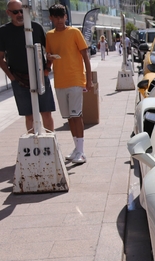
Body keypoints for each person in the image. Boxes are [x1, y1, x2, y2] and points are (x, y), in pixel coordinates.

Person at [46, 3, 93, 165]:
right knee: (69, 118)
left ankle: (81, 151)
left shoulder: (74, 32)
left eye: (62, 16)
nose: (60, 20)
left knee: (76, 115)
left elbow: (85, 55)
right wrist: (49, 59)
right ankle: (76, 148)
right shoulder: (50, 35)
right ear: (51, 18)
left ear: (66, 17)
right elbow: (48, 56)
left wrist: (89, 80)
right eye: (56, 17)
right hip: (60, 81)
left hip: (75, 80)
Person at [0, 0, 56, 133]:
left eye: (22, 11)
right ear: (8, 13)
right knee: (29, 115)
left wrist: (47, 69)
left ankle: (51, 143)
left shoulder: (36, 27)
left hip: (41, 77)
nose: (20, 14)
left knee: (46, 112)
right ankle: (33, 144)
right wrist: (11, 77)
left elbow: (50, 51)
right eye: (15, 12)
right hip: (19, 79)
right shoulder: (4, 31)